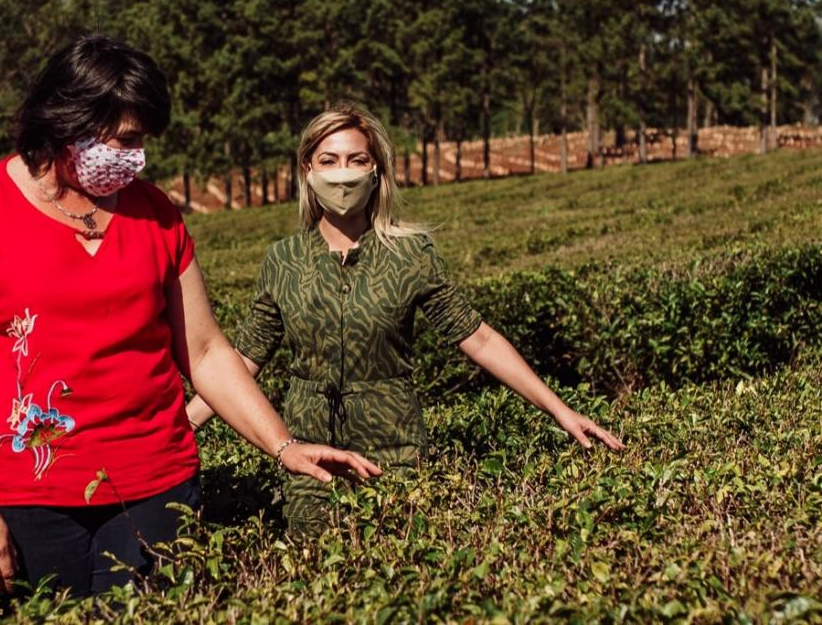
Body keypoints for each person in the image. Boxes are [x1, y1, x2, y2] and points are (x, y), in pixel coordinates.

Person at [0, 37, 381, 597]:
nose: (136, 155)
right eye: (126, 139)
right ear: (70, 120)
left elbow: (204, 352)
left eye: (142, 140)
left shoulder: (155, 214)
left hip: (157, 486)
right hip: (27, 497)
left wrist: (282, 443)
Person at [186, 104, 624, 533]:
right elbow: (242, 360)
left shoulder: (410, 254)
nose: (343, 173)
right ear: (308, 170)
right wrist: (183, 426)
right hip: (309, 456)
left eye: (357, 159)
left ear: (376, 171)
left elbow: (477, 338)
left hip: (392, 452)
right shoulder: (282, 260)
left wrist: (559, 410)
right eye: (329, 160)